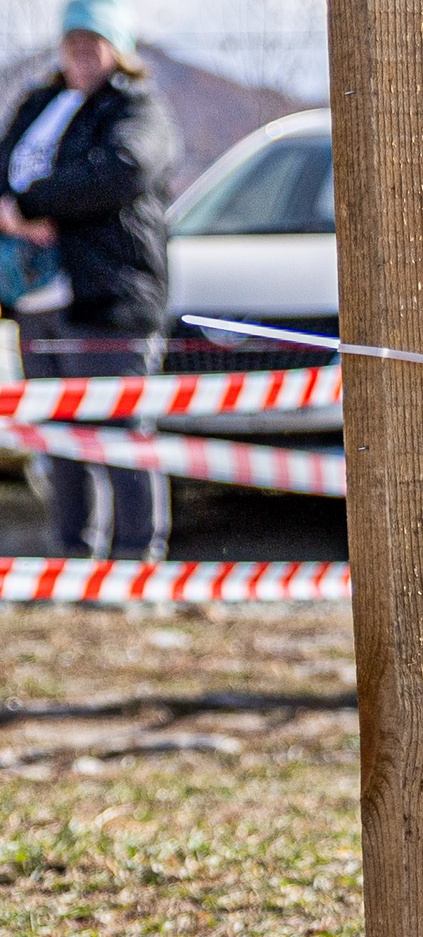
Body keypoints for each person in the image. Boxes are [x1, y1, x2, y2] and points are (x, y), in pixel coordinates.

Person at [0, 0, 175, 561]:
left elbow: (123, 167)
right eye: (71, 40)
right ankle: (73, 558)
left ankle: (136, 561)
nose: (80, 50)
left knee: (121, 434)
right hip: (38, 298)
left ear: (117, 47)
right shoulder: (38, 103)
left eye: (93, 40)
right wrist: (16, 213)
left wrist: (34, 206)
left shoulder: (135, 107)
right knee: (61, 439)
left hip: (108, 296)